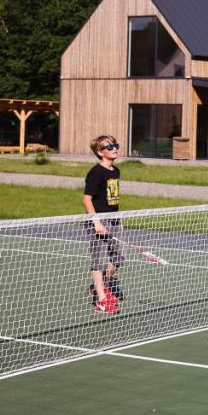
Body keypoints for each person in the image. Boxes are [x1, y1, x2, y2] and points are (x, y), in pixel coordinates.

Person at [83, 134, 125, 315]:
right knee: (98, 261)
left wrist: (120, 217)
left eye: (116, 145)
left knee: (119, 258)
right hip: (98, 221)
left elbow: (113, 198)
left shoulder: (115, 171)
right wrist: (96, 222)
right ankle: (101, 301)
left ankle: (100, 286)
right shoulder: (96, 172)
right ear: (100, 152)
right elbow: (86, 199)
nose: (115, 148)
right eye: (110, 147)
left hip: (114, 219)